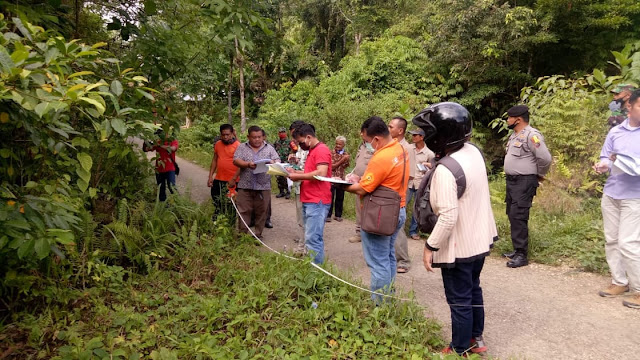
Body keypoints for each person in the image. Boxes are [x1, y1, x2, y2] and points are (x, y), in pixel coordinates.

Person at [415, 102, 497, 356]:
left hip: (459, 245)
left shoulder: (446, 170)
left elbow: (448, 217)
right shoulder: (473, 152)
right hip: (480, 239)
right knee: (473, 289)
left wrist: (430, 246)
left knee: (459, 298)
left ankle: (460, 347)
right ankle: (476, 337)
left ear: (442, 135)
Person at [343, 116, 409, 302]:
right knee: (388, 257)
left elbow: (363, 189)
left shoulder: (382, 157)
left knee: (378, 261)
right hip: (398, 209)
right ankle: (388, 298)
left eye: (367, 141)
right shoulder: (400, 148)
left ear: (376, 139)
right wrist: (359, 180)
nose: (367, 145)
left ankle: (380, 307)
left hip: (380, 214)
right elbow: (381, 180)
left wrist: (341, 185)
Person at [593, 89, 640, 309]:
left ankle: (639, 289)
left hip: (635, 197)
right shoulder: (616, 132)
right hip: (612, 193)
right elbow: (606, 155)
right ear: (629, 106)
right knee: (611, 239)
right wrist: (604, 165)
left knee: (629, 243)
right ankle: (619, 281)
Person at [502, 104, 552, 268]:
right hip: (512, 181)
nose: (507, 120)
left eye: (509, 118)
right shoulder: (515, 136)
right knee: (512, 214)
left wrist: (539, 175)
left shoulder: (532, 135)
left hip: (524, 182)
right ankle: (517, 250)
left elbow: (545, 159)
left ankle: (522, 255)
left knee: (519, 215)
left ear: (518, 119)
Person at [286, 124, 332, 265]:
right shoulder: (312, 150)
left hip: (317, 200)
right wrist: (295, 172)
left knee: (313, 238)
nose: (301, 145)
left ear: (309, 137)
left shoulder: (321, 150)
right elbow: (310, 171)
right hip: (309, 198)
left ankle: (316, 272)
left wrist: (300, 176)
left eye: (301, 142)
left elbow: (321, 172)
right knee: (309, 236)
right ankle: (311, 266)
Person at [231, 126, 280, 239]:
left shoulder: (269, 148)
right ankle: (242, 235)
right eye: (254, 137)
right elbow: (236, 160)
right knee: (243, 210)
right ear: (248, 137)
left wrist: (272, 162)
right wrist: (247, 164)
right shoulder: (242, 147)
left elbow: (277, 160)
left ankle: (258, 234)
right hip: (245, 185)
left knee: (262, 211)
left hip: (263, 186)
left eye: (259, 137)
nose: (257, 140)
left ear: (263, 137)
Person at [388, 116, 416, 273]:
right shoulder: (389, 146)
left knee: (397, 226)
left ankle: (403, 260)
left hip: (399, 192)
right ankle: (390, 257)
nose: (388, 129)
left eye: (391, 127)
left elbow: (410, 174)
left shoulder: (407, 148)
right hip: (388, 192)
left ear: (400, 130)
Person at [407, 128, 435, 240]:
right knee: (402, 204)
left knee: (417, 208)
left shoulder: (429, 153)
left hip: (421, 184)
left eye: (415, 135)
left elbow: (433, 168)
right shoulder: (408, 148)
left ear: (421, 137)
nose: (413, 137)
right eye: (412, 135)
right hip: (409, 182)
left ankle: (413, 231)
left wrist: (428, 165)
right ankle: (396, 228)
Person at [208, 124, 239, 219]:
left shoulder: (238, 145)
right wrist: (210, 176)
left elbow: (241, 164)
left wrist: (234, 179)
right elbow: (214, 160)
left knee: (231, 202)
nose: (225, 137)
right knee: (216, 198)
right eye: (223, 134)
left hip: (233, 180)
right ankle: (218, 218)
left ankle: (230, 222)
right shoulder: (218, 144)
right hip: (219, 178)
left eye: (228, 134)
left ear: (232, 134)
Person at [345, 137, 373, 243]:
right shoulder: (362, 145)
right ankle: (359, 233)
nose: (361, 134)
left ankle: (369, 234)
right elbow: (358, 163)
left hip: (370, 182)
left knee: (370, 210)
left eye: (364, 132)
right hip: (358, 182)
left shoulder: (376, 146)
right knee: (359, 208)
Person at [143, 129, 178, 202]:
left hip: (170, 168)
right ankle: (163, 207)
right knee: (161, 189)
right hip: (159, 169)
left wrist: (160, 145)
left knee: (172, 187)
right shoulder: (157, 142)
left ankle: (178, 204)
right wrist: (145, 141)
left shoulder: (172, 140)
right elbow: (146, 149)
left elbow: (172, 148)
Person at [326, 136, 350, 222]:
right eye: (336, 143)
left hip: (341, 178)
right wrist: (342, 159)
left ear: (343, 145)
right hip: (332, 178)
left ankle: (338, 215)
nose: (338, 145)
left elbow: (346, 165)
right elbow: (332, 167)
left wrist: (346, 159)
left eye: (340, 144)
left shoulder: (345, 154)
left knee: (340, 197)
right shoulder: (331, 153)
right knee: (330, 197)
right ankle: (328, 215)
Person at [273, 127, 292, 199]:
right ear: (278, 134)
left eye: (283, 132)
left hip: (286, 163)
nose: (282, 134)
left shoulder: (289, 142)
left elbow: (294, 150)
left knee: (286, 177)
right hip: (278, 162)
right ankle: (281, 192)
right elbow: (273, 150)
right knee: (279, 177)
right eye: (280, 132)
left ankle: (288, 192)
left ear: (286, 133)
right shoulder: (276, 142)